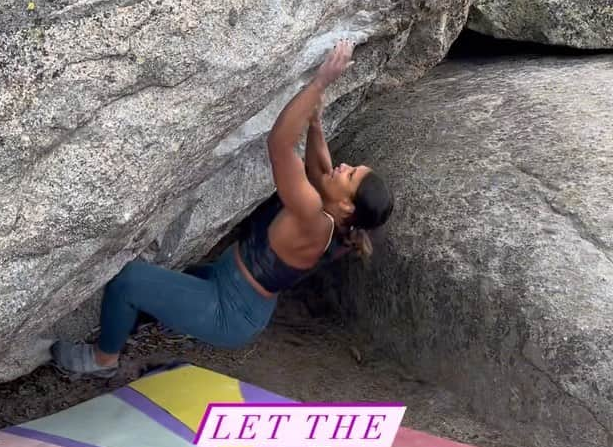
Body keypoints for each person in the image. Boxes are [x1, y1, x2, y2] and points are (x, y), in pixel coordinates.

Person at [50, 39, 394, 380]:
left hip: (228, 310)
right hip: (228, 285)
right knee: (170, 278)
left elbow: (279, 144)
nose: (344, 165)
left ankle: (102, 360)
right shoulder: (334, 216)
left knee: (129, 281)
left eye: (349, 174)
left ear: (347, 204)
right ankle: (146, 323)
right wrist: (315, 121)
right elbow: (319, 171)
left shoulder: (314, 219)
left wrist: (320, 83)